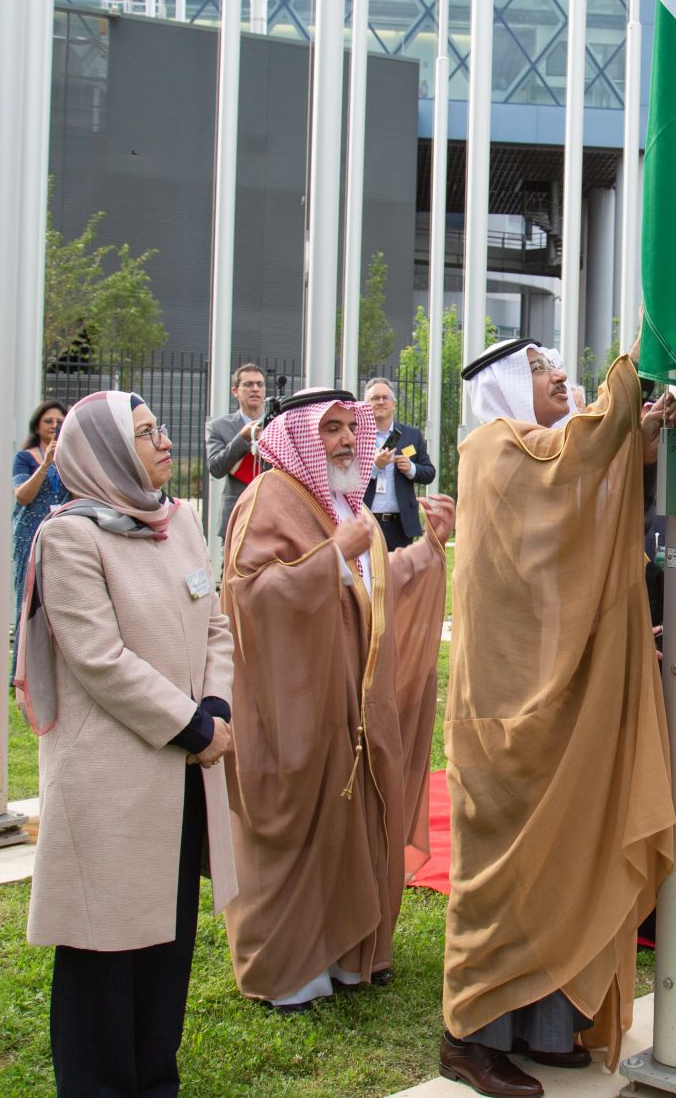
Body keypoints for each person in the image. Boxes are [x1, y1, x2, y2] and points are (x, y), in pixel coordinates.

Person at [440, 338, 676, 1097]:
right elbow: (573, 458)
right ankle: (468, 1038)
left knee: (559, 862)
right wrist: (631, 369)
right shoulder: (493, 446)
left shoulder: (533, 451)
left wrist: (640, 433)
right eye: (542, 370)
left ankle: (544, 1028)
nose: (560, 377)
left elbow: (585, 495)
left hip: (550, 692)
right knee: (502, 878)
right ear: (507, 386)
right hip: (505, 711)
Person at [15, 391, 238, 1098]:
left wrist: (216, 702)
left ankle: (154, 1083)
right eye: (145, 433)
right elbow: (99, 658)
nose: (164, 441)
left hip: (180, 774)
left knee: (166, 950)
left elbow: (215, 623)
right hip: (112, 781)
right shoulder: (69, 538)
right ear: (108, 452)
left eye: (159, 428)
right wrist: (195, 727)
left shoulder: (181, 522)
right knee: (104, 955)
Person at [216, 386, 453, 1011]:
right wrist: (331, 559)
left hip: (351, 700)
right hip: (294, 704)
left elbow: (373, 585)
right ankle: (289, 968)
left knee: (351, 820)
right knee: (298, 825)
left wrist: (427, 549)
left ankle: (348, 953)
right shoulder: (268, 498)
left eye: (352, 427)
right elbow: (248, 596)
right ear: (297, 437)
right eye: (331, 429)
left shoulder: (347, 502)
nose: (348, 439)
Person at [11, 400, 71, 679]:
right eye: (48, 421)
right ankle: (23, 670)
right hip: (30, 533)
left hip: (62, 533)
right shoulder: (25, 457)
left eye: (60, 422)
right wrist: (46, 463)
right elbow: (23, 496)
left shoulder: (70, 456)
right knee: (28, 599)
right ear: (37, 425)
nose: (54, 426)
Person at [360, 378, 437, 551]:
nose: (381, 402)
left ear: (393, 403)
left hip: (401, 525)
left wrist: (411, 469)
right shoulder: (357, 436)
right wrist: (375, 467)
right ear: (366, 405)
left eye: (385, 397)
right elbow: (347, 476)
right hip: (367, 521)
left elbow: (429, 473)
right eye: (375, 398)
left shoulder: (411, 435)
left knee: (400, 569)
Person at [204, 363, 268, 536]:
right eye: (248, 384)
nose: (255, 389)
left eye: (260, 384)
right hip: (237, 517)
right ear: (235, 391)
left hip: (273, 513)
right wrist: (242, 437)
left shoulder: (278, 424)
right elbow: (216, 469)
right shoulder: (218, 427)